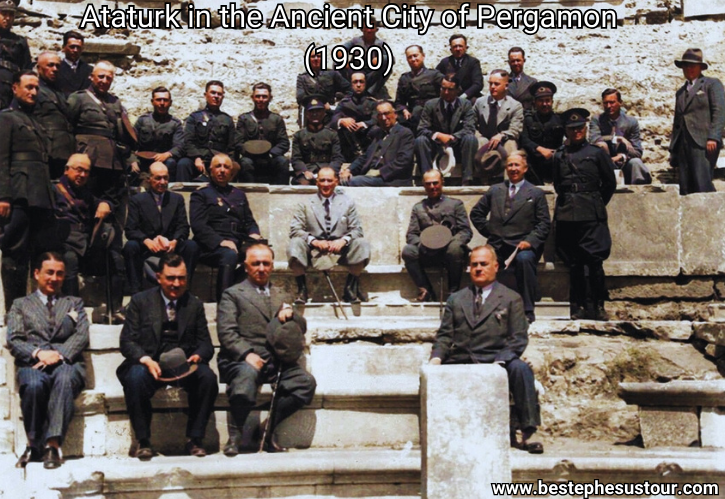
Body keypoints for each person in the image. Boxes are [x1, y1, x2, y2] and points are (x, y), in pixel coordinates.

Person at [429, 245, 543, 454]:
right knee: (435, 373)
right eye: (474, 265)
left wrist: (500, 361)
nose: (479, 269)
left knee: (521, 369)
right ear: (468, 268)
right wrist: (436, 358)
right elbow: (445, 335)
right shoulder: (456, 299)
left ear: (496, 266)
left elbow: (518, 338)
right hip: (462, 358)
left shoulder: (511, 298)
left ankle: (529, 431)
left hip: (497, 359)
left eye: (484, 264)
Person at [117, 253, 218, 460]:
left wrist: (198, 355)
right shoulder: (140, 302)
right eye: (171, 278)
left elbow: (205, 343)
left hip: (183, 364)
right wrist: (145, 359)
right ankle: (143, 441)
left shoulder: (194, 304)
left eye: (181, 278)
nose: (176, 283)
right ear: (158, 277)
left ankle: (195, 438)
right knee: (134, 379)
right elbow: (127, 341)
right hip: (150, 363)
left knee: (207, 378)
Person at [217, 243, 316, 454]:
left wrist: (292, 315)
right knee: (244, 379)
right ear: (245, 266)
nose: (261, 268)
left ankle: (267, 432)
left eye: (266, 263)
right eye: (255, 264)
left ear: (272, 266)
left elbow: (302, 327)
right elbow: (227, 332)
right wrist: (246, 354)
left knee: (305, 383)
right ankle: (235, 438)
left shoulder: (282, 294)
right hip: (242, 359)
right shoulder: (232, 294)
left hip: (276, 361)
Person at [7, 252, 90, 469]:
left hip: (67, 363)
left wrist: (59, 355)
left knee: (63, 381)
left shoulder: (74, 303)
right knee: (33, 384)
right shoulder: (20, 304)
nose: (54, 278)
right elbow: (14, 339)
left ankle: (52, 445)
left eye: (60, 274)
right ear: (36, 274)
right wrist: (38, 354)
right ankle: (34, 444)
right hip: (33, 362)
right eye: (49, 273)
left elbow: (81, 335)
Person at [470, 151, 551, 323]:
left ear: (525, 168)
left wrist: (530, 241)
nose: (513, 169)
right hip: (498, 243)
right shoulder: (495, 190)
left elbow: (544, 224)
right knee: (483, 261)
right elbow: (476, 214)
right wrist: (491, 231)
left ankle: (528, 309)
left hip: (521, 245)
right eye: (510, 165)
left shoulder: (535, 193)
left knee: (525, 260)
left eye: (517, 165)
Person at [553, 109, 616, 321]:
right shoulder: (559, 155)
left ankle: (598, 306)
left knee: (595, 263)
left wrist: (594, 202)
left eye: (580, 128)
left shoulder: (597, 153)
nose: (577, 132)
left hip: (591, 215)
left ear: (585, 129)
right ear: (566, 131)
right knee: (575, 263)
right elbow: (557, 185)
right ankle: (577, 306)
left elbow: (609, 184)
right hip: (568, 216)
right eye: (572, 129)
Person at [0, 70, 55, 311]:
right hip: (19, 195)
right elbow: (1, 158)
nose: (33, 92)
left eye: (36, 88)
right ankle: (14, 312)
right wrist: (3, 195)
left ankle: (36, 311)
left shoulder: (35, 121)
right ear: (14, 88)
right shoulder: (6, 118)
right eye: (28, 87)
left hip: (40, 196)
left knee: (39, 254)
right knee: (15, 254)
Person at [288, 167, 371, 303]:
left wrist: (343, 241)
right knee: (294, 244)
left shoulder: (347, 202)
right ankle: (302, 289)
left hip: (341, 249)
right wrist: (314, 241)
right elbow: (295, 229)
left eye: (329, 180)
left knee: (362, 244)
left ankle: (350, 288)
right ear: (317, 183)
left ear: (336, 182)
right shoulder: (305, 203)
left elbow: (357, 229)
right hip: (314, 250)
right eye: (322, 180)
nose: (326, 184)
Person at [190, 153, 263, 301]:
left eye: (226, 167)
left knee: (264, 254)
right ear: (211, 170)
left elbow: (249, 221)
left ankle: (238, 291)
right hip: (210, 247)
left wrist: (254, 233)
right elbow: (198, 225)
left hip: (236, 243)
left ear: (231, 171)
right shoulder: (201, 194)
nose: (222, 170)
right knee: (229, 255)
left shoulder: (239, 195)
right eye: (218, 166)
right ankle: (224, 304)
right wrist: (220, 242)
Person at [124, 162, 199, 295]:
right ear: (149, 179)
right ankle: (136, 291)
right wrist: (146, 241)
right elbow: (131, 229)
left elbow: (183, 227)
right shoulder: (137, 200)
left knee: (191, 246)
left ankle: (185, 289)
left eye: (165, 178)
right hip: (148, 246)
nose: (162, 182)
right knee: (131, 246)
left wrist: (175, 241)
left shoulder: (176, 199)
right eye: (158, 178)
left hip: (170, 246)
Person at [67, 60, 134, 207]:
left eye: (108, 78)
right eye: (101, 76)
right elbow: (67, 128)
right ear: (92, 77)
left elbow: (122, 134)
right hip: (88, 156)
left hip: (112, 161)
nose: (104, 81)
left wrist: (130, 158)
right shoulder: (78, 98)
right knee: (86, 201)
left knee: (109, 203)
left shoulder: (114, 102)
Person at [402, 169, 472, 301]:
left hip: (450, 253)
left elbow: (465, 231)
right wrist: (424, 244)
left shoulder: (456, 204)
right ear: (423, 185)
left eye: (435, 183)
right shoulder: (418, 208)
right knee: (408, 251)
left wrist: (451, 242)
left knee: (455, 249)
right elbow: (411, 235)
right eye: (428, 184)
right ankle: (426, 290)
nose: (432, 187)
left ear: (442, 182)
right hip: (427, 252)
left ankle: (453, 292)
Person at [52, 153, 115, 297]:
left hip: (84, 243)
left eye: (86, 171)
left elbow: (100, 202)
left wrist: (105, 204)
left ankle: (113, 309)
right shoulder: (54, 190)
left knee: (115, 259)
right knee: (70, 259)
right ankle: (72, 308)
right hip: (64, 242)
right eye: (78, 169)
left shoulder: (85, 193)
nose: (82, 174)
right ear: (67, 169)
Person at [670, 48, 725, 195]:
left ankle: (711, 216)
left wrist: (714, 136)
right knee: (685, 186)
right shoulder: (680, 92)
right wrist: (673, 148)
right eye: (686, 66)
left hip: (703, 142)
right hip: (683, 143)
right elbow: (677, 122)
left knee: (703, 182)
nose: (689, 69)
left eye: (692, 65)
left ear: (700, 67)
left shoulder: (712, 85)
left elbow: (719, 112)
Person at [415, 74, 478, 181]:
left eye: (450, 89)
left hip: (457, 145)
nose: (446, 92)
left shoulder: (465, 105)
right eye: (443, 88)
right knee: (420, 140)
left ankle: (467, 179)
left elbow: (469, 128)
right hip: (436, 145)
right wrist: (438, 135)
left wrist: (453, 137)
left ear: (458, 90)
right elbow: (422, 129)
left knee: (470, 138)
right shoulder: (431, 105)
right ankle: (427, 178)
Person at [341, 100, 415, 187]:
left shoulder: (404, 133)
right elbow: (365, 157)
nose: (384, 118)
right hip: (372, 176)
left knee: (353, 181)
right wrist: (349, 170)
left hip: (392, 179)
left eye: (387, 113)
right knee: (337, 179)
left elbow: (403, 161)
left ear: (395, 114)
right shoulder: (377, 133)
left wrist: (380, 172)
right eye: (380, 115)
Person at [590, 88, 651, 185]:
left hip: (624, 164)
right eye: (605, 103)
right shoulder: (597, 120)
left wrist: (621, 156)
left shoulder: (631, 122)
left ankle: (640, 193)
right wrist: (615, 138)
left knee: (636, 163)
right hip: (604, 165)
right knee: (601, 145)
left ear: (620, 102)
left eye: (612, 102)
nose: (608, 106)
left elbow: (637, 152)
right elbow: (594, 141)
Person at [473, 69, 524, 184]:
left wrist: (501, 135)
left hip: (503, 141)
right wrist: (479, 136)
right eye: (490, 83)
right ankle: (483, 182)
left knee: (511, 144)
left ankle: (510, 182)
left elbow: (516, 129)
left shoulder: (515, 106)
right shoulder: (480, 103)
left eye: (496, 84)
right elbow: (471, 124)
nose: (492, 87)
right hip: (485, 140)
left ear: (506, 86)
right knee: (479, 141)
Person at [178, 80, 235, 182]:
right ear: (206, 95)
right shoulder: (194, 117)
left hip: (218, 159)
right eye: (213, 93)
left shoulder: (227, 120)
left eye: (219, 94)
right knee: (183, 164)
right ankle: (182, 195)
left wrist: (223, 160)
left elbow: (231, 146)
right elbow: (188, 141)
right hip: (198, 158)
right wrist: (196, 157)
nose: (216, 96)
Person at [236, 82, 290, 185]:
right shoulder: (244, 119)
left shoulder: (276, 119)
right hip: (251, 159)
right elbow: (238, 142)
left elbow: (284, 143)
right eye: (258, 96)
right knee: (245, 163)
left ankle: (280, 197)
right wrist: (251, 153)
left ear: (270, 98)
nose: (261, 100)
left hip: (270, 159)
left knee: (283, 162)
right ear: (252, 98)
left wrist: (270, 154)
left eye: (264, 97)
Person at [34, 51, 75, 180]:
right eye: (50, 65)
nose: (55, 69)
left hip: (64, 151)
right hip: (46, 151)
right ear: (39, 67)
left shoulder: (60, 92)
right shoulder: (34, 90)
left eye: (57, 66)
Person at [131, 87, 184, 182]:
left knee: (171, 163)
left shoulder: (175, 123)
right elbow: (131, 142)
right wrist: (133, 160)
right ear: (152, 101)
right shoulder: (142, 121)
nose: (162, 103)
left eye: (165, 100)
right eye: (158, 100)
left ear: (170, 103)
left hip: (163, 160)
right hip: (143, 160)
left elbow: (179, 146)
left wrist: (167, 154)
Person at [519, 81, 564, 185]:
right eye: (541, 101)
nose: (545, 104)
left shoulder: (559, 120)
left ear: (552, 101)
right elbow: (524, 139)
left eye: (547, 101)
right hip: (535, 158)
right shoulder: (529, 119)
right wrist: (539, 149)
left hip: (554, 158)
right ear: (535, 102)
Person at [291, 98, 344, 185]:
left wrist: (329, 172)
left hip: (327, 170)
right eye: (311, 112)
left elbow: (337, 158)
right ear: (307, 114)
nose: (315, 114)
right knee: (303, 183)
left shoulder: (332, 135)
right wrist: (305, 171)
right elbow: (296, 159)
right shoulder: (299, 135)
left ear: (323, 114)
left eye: (318, 111)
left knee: (334, 183)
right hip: (308, 172)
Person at [330, 71, 378, 162]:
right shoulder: (344, 103)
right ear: (351, 84)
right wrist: (341, 121)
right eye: (355, 82)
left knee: (376, 129)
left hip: (367, 135)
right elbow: (333, 119)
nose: (358, 85)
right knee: (341, 130)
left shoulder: (372, 103)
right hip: (350, 139)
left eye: (361, 82)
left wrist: (364, 124)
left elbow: (376, 119)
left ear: (365, 84)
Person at [394, 45, 443, 132]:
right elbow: (399, 102)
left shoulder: (434, 75)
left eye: (415, 55)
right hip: (412, 112)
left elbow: (449, 89)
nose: (413, 59)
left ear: (423, 56)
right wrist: (404, 109)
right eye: (409, 57)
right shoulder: (404, 78)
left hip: (431, 111)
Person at [295, 49, 349, 124]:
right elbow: (300, 97)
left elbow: (349, 90)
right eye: (313, 56)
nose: (316, 58)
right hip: (311, 112)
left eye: (319, 56)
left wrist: (339, 105)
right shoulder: (302, 78)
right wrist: (318, 103)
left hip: (329, 112)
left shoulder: (332, 74)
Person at [341, 22, 393, 99]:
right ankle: (348, 90)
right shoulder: (356, 41)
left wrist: (380, 58)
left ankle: (370, 92)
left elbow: (391, 59)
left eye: (371, 28)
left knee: (388, 68)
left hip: (371, 74)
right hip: (355, 72)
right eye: (366, 28)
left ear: (376, 29)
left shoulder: (381, 43)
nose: (369, 30)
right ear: (362, 29)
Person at [0, 0, 32, 109]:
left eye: (11, 15)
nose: (7, 18)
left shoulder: (20, 42)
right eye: (4, 14)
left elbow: (27, 69)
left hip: (11, 91)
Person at [435, 34, 483, 102]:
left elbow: (478, 84)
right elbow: (436, 78)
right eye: (455, 46)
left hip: (467, 97)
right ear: (451, 49)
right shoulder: (445, 62)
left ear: (466, 47)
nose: (458, 49)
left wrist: (463, 96)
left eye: (460, 46)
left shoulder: (473, 62)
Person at [57, 30, 93, 97]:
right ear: (63, 47)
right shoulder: (57, 69)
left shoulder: (89, 70)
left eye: (78, 47)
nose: (75, 50)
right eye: (72, 47)